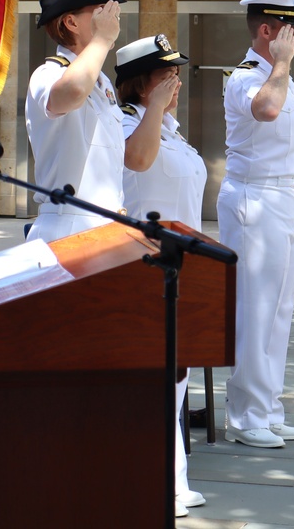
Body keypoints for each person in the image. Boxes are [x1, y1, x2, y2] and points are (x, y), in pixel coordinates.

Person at [115, 34, 207, 518]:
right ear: (139, 84)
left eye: (177, 74)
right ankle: (162, 482)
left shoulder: (169, 129)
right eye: (164, 75)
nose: (175, 83)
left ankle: (170, 478)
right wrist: (152, 107)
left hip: (182, 262)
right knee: (160, 377)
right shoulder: (130, 123)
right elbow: (138, 161)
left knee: (177, 376)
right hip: (145, 261)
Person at [219, 0, 294, 449]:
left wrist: (283, 66)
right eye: (291, 30)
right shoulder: (248, 76)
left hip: (285, 200)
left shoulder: (281, 75)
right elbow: (266, 110)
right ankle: (245, 415)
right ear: (267, 31)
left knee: (279, 310)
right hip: (254, 199)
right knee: (255, 309)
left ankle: (268, 407)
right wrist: (281, 64)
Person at [25, 0, 125, 243]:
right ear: (71, 22)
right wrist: (103, 39)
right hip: (67, 227)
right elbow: (72, 91)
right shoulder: (49, 73)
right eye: (102, 9)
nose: (113, 16)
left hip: (104, 225)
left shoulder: (101, 81)